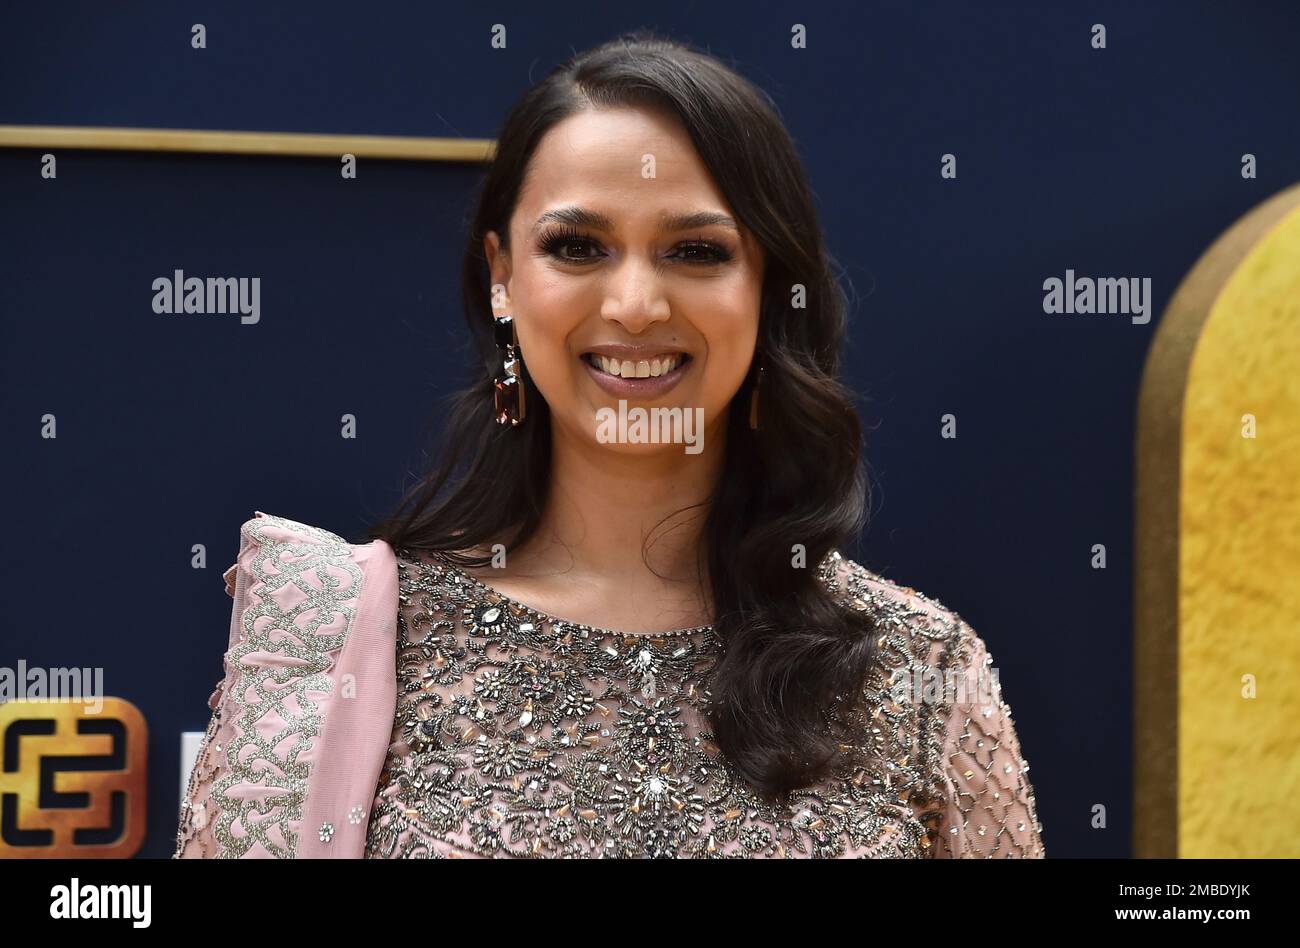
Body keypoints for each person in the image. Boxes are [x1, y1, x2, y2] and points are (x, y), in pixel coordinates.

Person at [175, 31, 1044, 859]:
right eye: (578, 247)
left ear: (771, 289)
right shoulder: (340, 635)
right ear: (502, 277)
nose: (635, 304)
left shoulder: (918, 668)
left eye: (696, 251)